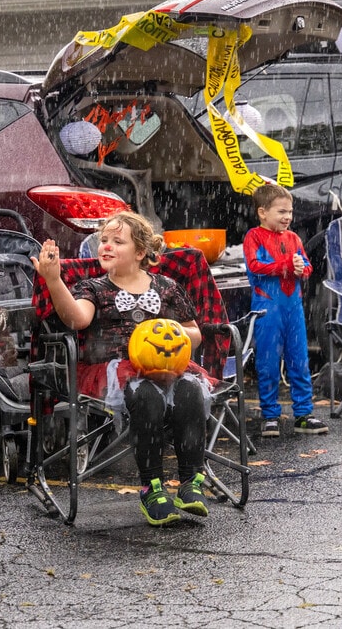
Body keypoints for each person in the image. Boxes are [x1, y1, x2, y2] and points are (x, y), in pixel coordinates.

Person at [32, 211, 213, 527]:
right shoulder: (94, 288)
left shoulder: (167, 287)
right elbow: (77, 319)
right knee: (145, 395)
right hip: (117, 370)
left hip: (167, 365)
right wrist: (54, 279)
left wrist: (171, 332)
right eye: (104, 240)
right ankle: (151, 487)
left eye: (118, 241)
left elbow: (194, 333)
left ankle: (190, 481)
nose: (106, 246)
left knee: (190, 390)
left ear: (140, 252)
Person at [243, 183, 326, 437]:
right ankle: (270, 414)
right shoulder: (254, 237)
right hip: (267, 309)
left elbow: (307, 266)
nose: (287, 217)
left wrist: (301, 268)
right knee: (267, 362)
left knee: (299, 360)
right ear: (262, 212)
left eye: (290, 211)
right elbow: (255, 266)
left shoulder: (293, 238)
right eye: (281, 212)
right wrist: (286, 266)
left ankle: (303, 413)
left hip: (293, 309)